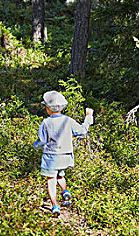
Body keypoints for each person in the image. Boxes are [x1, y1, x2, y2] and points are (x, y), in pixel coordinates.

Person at [33, 90, 94, 218]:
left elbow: (42, 140)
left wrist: (35, 145)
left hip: (50, 157)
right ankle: (65, 192)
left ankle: (55, 205)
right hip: (65, 156)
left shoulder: (45, 123)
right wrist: (88, 117)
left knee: (51, 180)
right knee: (61, 175)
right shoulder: (68, 120)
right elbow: (82, 131)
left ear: (48, 109)